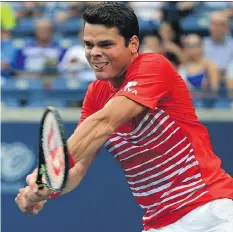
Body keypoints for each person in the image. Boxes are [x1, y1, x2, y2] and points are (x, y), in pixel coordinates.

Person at [15, 3, 233, 232]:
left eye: (105, 44)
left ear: (133, 44)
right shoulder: (95, 95)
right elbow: (77, 168)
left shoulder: (153, 66)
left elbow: (104, 123)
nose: (94, 52)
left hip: (211, 210)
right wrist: (46, 189)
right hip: (159, 224)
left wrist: (46, 171)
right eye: (88, 45)